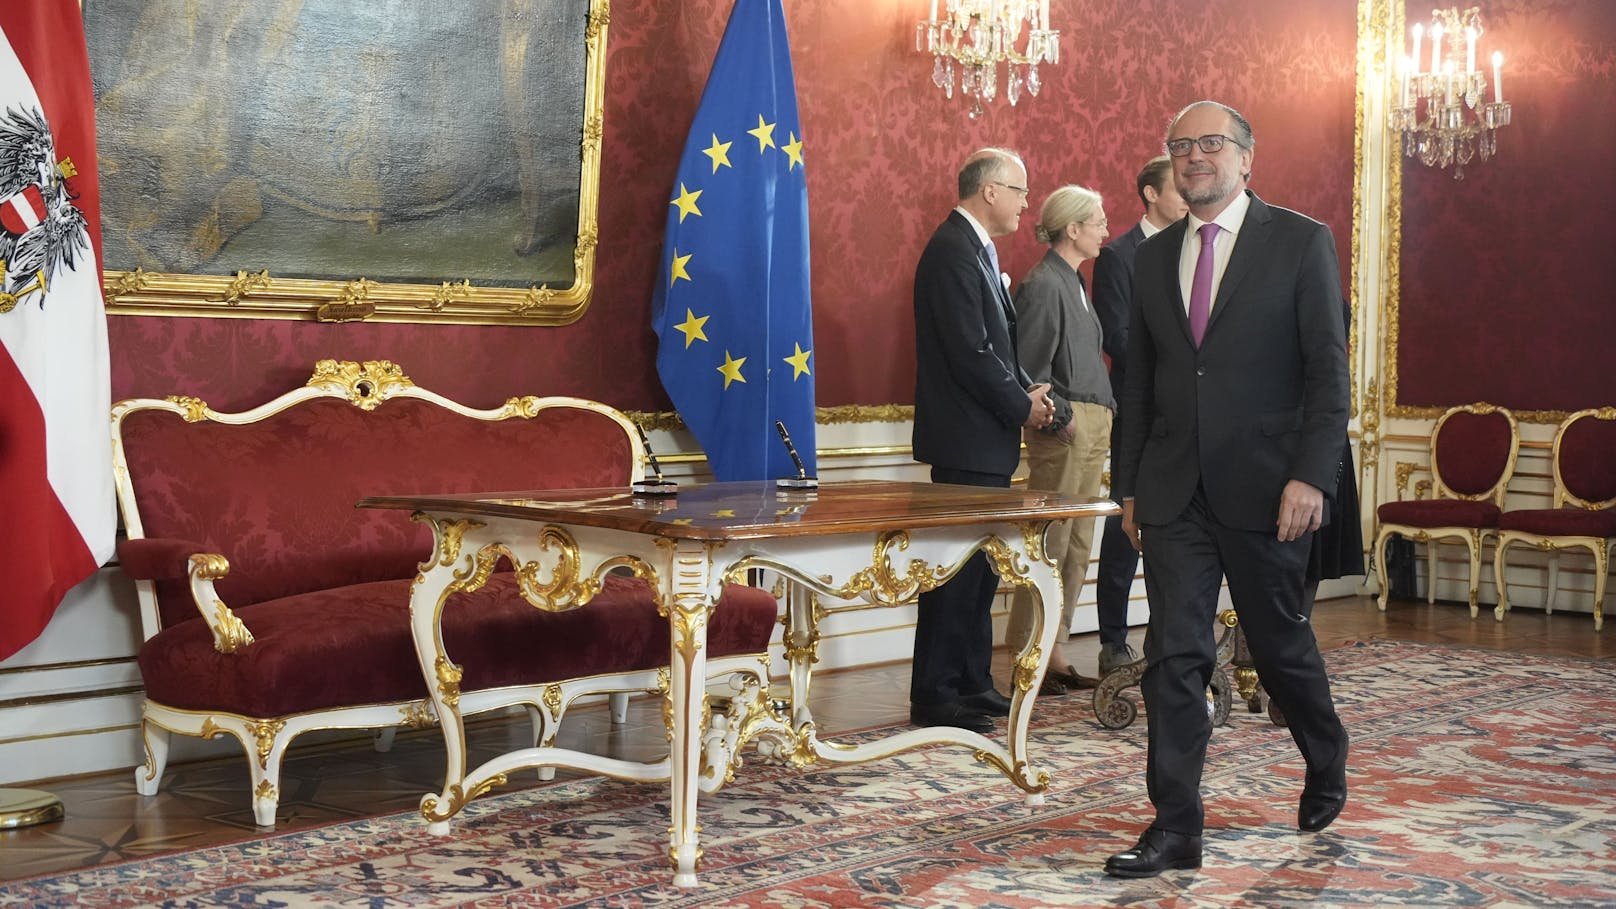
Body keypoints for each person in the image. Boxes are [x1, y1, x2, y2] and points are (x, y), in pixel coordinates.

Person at [1106, 101, 1351, 878]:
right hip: (1176, 490)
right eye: (1180, 146)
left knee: (1279, 645)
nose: (1193, 156)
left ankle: (1325, 747)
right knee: (1172, 653)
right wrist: (1131, 486)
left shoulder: (1302, 241)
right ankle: (1175, 824)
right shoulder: (1148, 260)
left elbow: (1327, 371)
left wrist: (1312, 473)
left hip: (1271, 485)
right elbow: (1138, 385)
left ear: (1247, 157)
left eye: (1211, 143)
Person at [911, 147, 1056, 734]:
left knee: (981, 571)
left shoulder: (974, 249)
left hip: (984, 440)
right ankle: (936, 694)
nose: (1027, 202)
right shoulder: (951, 251)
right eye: (1021, 190)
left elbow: (996, 351)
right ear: (991, 190)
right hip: (964, 443)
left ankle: (971, 682)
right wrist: (1022, 405)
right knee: (953, 575)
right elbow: (969, 352)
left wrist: (1027, 392)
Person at [1003, 185, 1115, 695]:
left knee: (1076, 543)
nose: (1105, 231)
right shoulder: (1046, 284)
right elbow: (1029, 367)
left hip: (1094, 422)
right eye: (1098, 222)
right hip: (1068, 426)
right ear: (1073, 229)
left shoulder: (1073, 281)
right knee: (1051, 540)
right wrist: (1060, 418)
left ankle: (1055, 645)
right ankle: (1033, 648)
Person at [1089, 155, 1188, 677]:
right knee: (1125, 530)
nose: (1187, 193)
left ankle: (1171, 638)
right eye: (1177, 185)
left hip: (1191, 416)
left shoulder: (1195, 247)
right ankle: (1112, 641)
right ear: (1151, 193)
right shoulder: (1118, 257)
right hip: (1139, 411)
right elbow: (1119, 339)